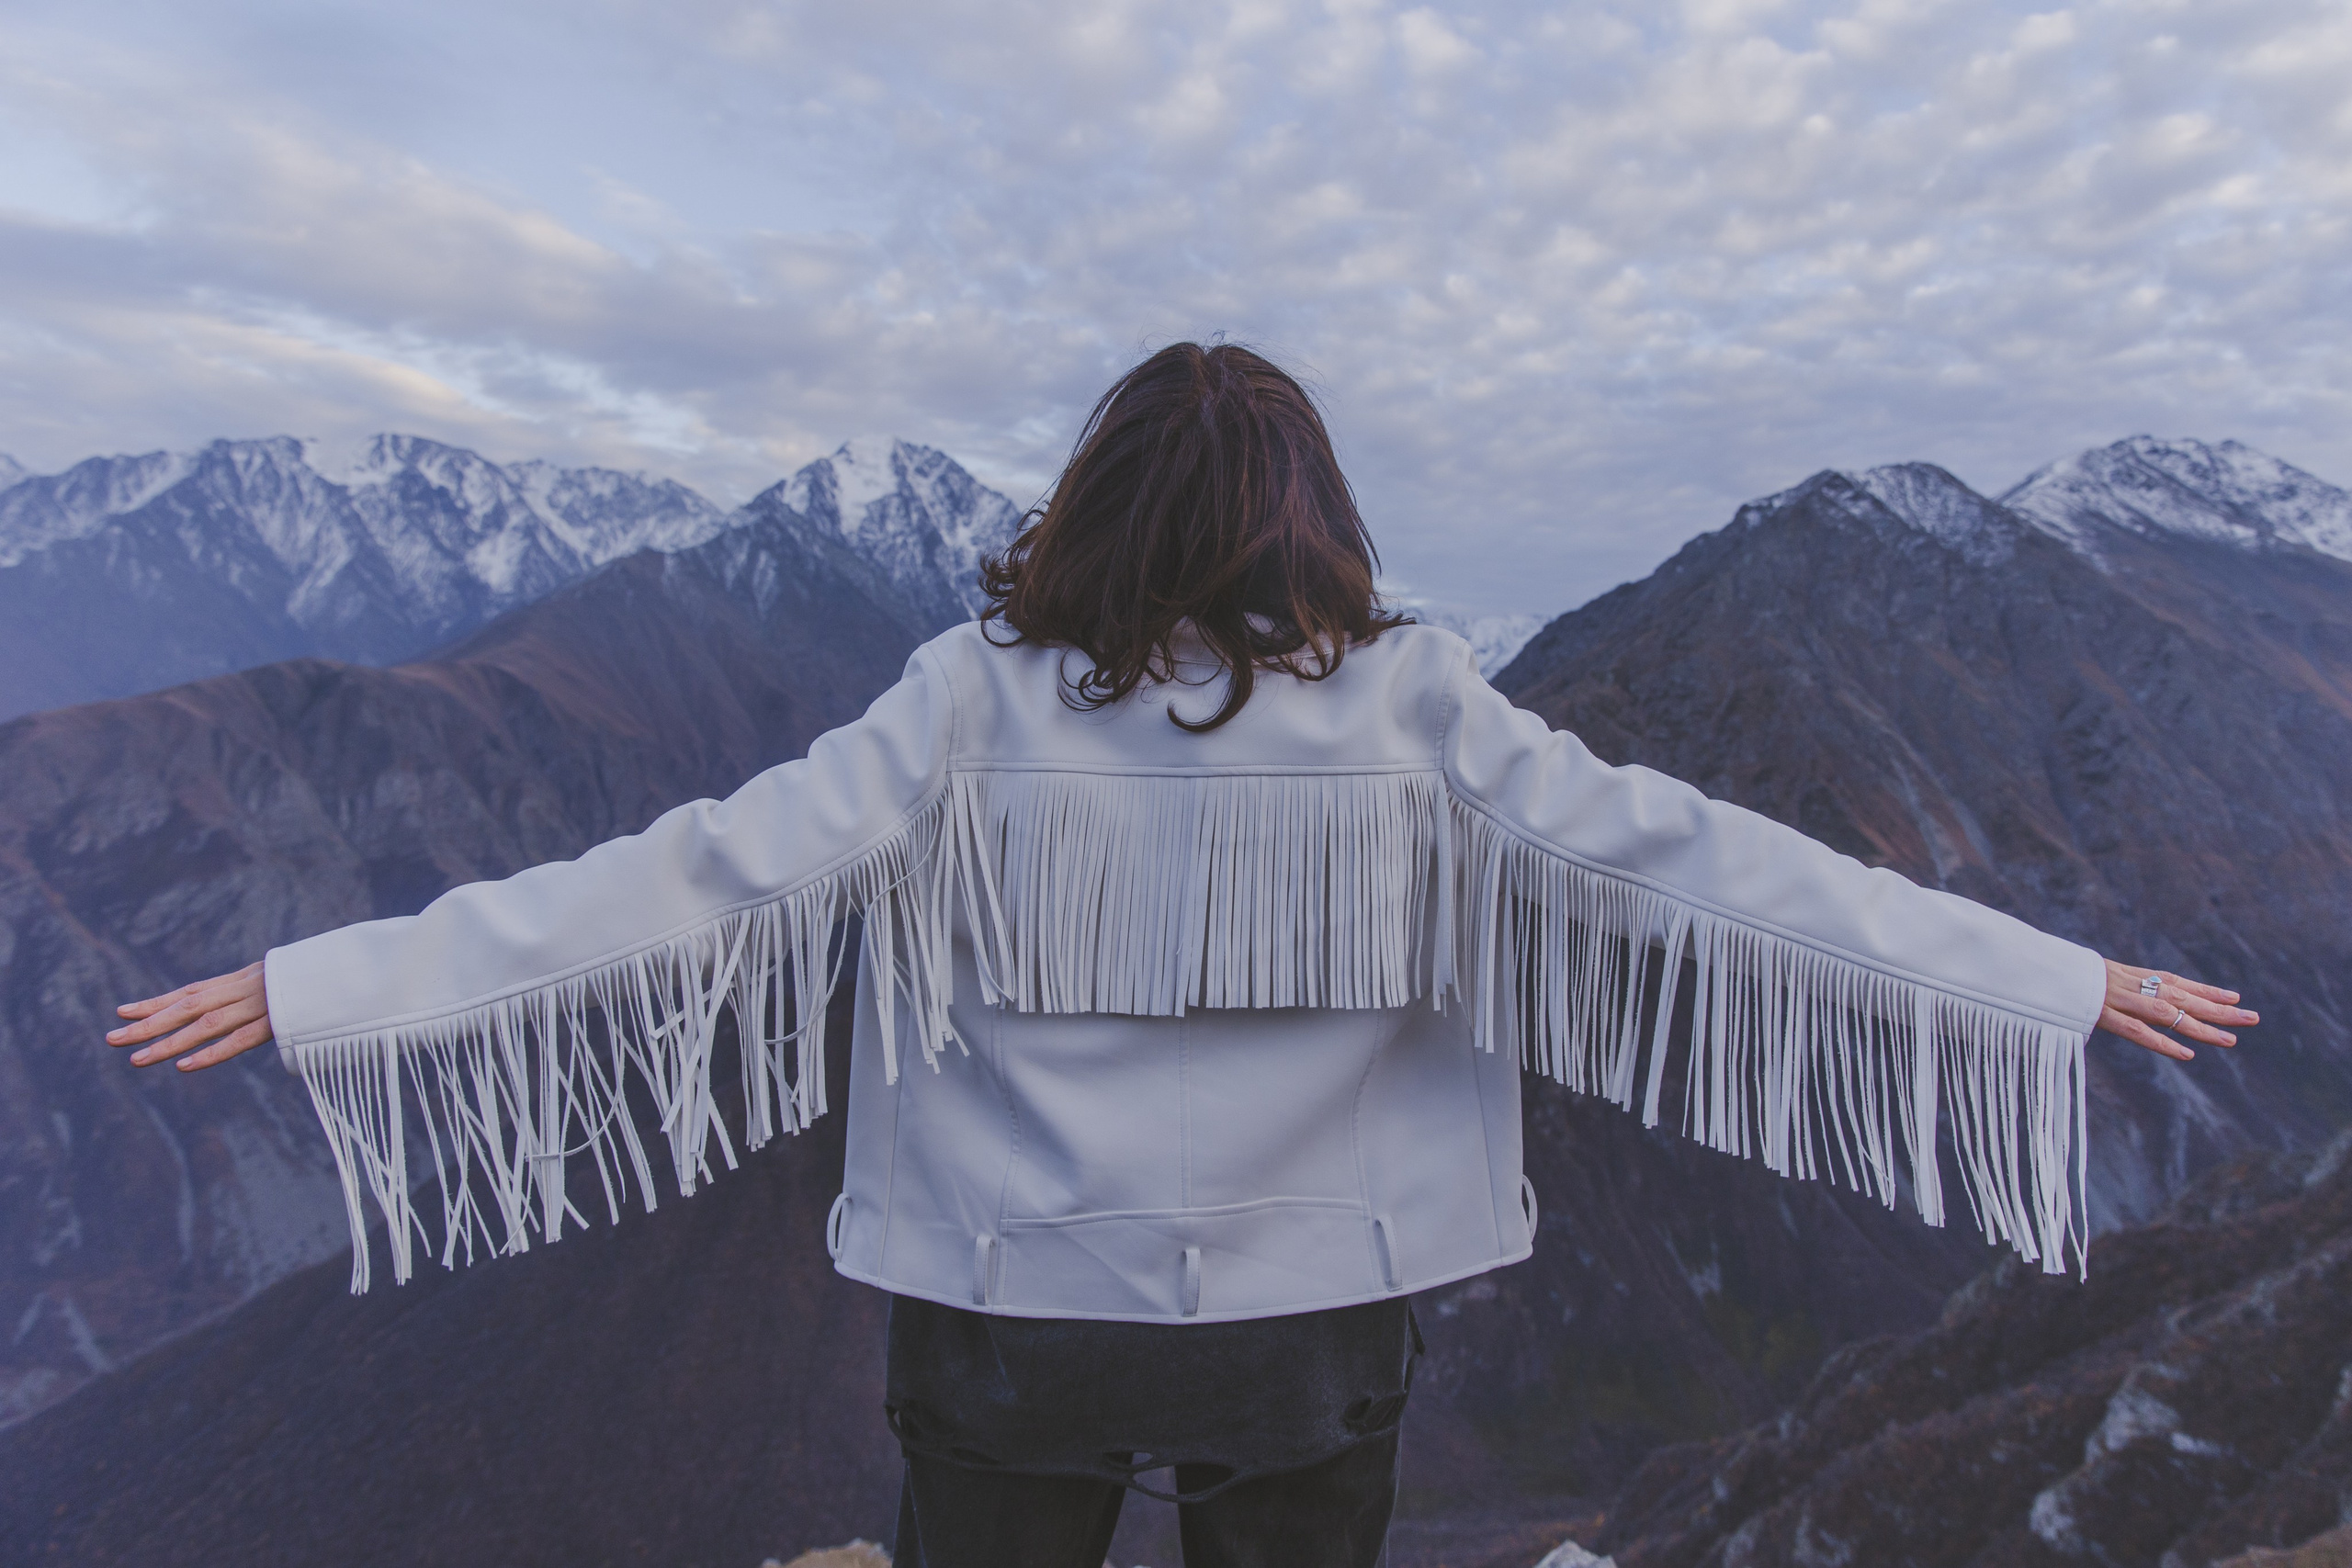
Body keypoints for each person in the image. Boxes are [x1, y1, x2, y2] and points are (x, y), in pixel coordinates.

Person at [108, 343, 2255, 1568]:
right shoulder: (1417, 705)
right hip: (1312, 1321)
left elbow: (687, 881)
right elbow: (1718, 871)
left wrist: (333, 983)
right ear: (1305, 518)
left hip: (1009, 1319)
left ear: (1094, 507)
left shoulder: (964, 700)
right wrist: (2037, 980)